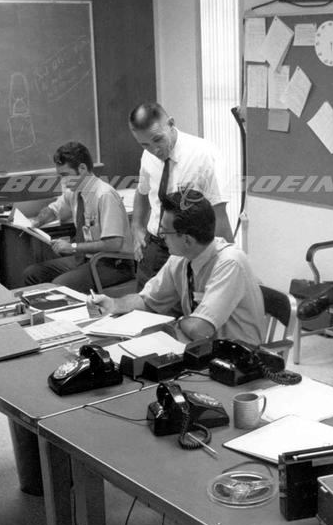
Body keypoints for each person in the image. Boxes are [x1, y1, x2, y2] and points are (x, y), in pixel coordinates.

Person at [90, 189, 264, 345]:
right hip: (200, 350)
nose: (161, 236)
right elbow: (148, 300)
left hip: (238, 359)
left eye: (165, 231)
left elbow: (200, 330)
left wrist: (177, 322)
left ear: (187, 239)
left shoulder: (230, 263)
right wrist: (113, 304)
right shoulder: (181, 258)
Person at [128, 102, 232, 288]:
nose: (155, 150)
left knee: (189, 303)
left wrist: (229, 263)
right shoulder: (148, 156)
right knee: (144, 303)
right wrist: (136, 226)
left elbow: (219, 215)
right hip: (155, 246)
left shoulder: (203, 155)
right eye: (145, 144)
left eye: (158, 140)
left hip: (189, 249)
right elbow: (142, 191)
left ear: (171, 123)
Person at [22, 141, 134, 291]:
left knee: (60, 285)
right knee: (33, 273)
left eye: (65, 175)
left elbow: (114, 244)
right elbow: (53, 210)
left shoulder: (104, 195)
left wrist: (73, 247)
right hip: (85, 258)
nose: (62, 181)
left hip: (112, 263)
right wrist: (36, 222)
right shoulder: (74, 192)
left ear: (82, 169)